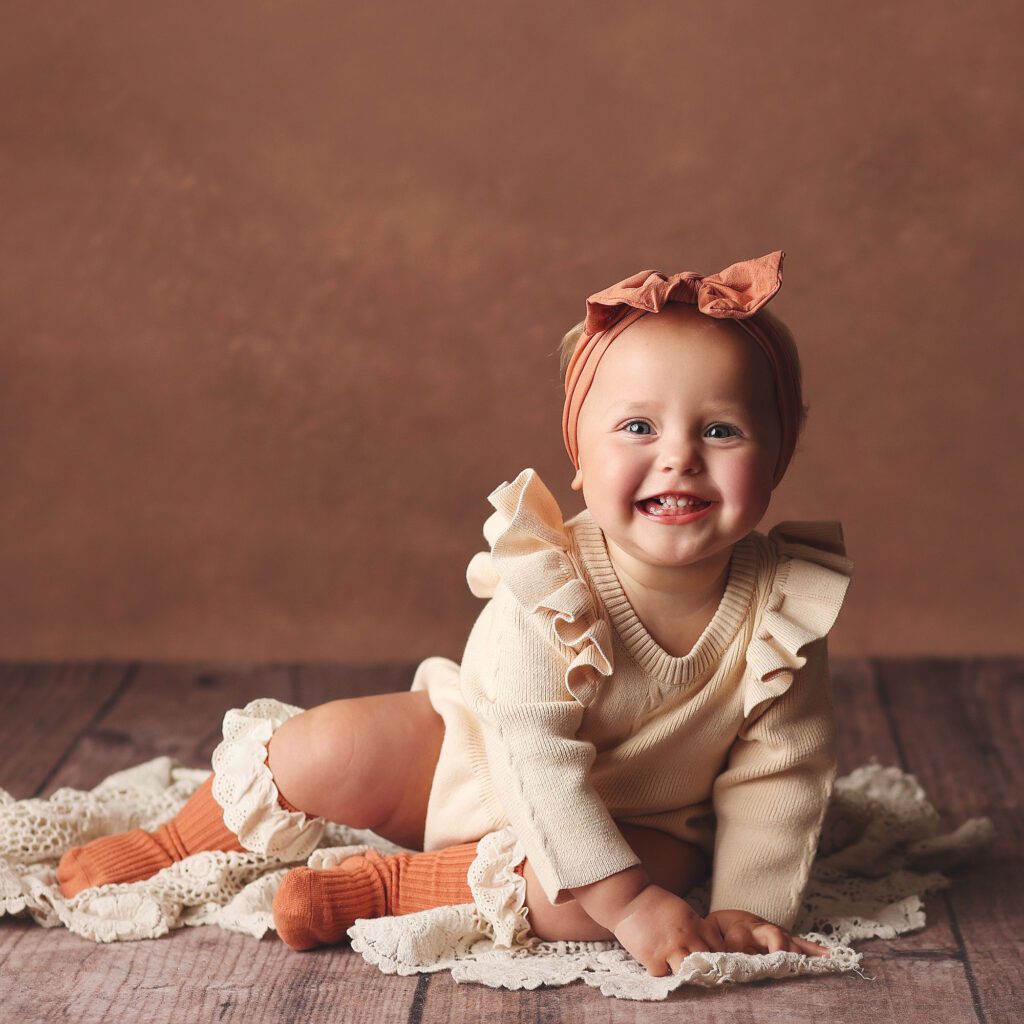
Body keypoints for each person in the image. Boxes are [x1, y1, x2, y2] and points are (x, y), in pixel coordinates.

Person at [56, 250, 854, 979]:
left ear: (780, 453)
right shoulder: (551, 582)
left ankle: (392, 884)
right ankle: (175, 842)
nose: (678, 455)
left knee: (588, 904)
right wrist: (632, 904)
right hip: (471, 754)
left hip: (635, 817)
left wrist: (744, 907)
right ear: (579, 454)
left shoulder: (780, 607)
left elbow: (778, 773)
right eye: (638, 427)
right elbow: (529, 750)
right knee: (323, 746)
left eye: (721, 429)